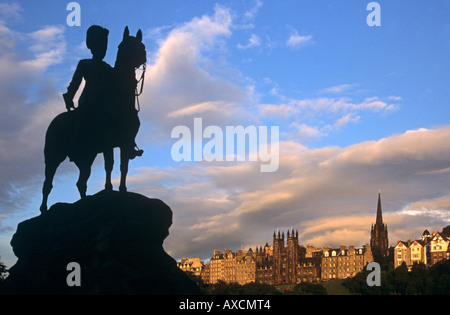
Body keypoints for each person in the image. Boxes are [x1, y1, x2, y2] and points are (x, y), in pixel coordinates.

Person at [63, 25, 143, 159]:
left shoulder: (108, 69)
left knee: (129, 119)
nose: (103, 50)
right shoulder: (84, 64)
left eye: (105, 47)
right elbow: (75, 83)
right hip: (89, 101)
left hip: (105, 103)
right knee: (85, 119)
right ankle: (77, 145)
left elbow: (117, 84)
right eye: (101, 46)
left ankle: (128, 143)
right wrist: (69, 97)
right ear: (93, 47)